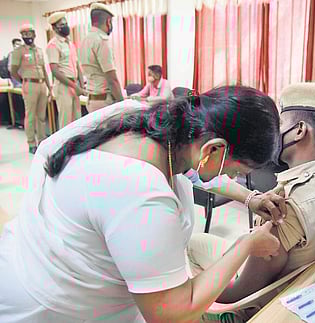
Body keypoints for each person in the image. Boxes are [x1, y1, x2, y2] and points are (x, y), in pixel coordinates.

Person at [0, 86, 288, 323]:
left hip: (45, 260)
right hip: (57, 308)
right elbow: (171, 313)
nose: (234, 178)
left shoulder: (155, 126)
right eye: (236, 170)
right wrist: (246, 245)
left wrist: (250, 198)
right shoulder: (140, 194)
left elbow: (197, 172)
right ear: (214, 149)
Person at [187, 83, 315, 312]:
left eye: (280, 123)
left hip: (254, 304)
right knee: (197, 242)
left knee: (190, 247)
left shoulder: (285, 204)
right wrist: (250, 199)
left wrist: (190, 284)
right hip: (295, 286)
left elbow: (236, 294)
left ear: (299, 131)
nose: (273, 132)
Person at [10, 23, 52, 154]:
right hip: (30, 85)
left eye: (29, 33)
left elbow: (44, 69)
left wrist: (49, 87)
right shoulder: (19, 51)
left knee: (41, 116)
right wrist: (23, 80)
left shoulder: (39, 50)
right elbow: (13, 70)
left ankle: (41, 140)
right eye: (24, 34)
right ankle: (31, 143)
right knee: (30, 116)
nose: (27, 36)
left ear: (34, 34)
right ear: (22, 36)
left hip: (41, 85)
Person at [79, 3, 123, 113]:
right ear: (108, 21)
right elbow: (112, 79)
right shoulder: (102, 41)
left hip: (92, 100)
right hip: (104, 102)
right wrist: (122, 103)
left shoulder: (85, 40)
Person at [47, 11, 87, 129]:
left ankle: (76, 146)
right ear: (54, 28)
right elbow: (55, 71)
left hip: (74, 84)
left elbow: (77, 65)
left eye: (66, 23)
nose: (65, 26)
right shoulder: (53, 45)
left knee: (77, 119)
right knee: (66, 121)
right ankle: (64, 147)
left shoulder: (70, 43)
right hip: (63, 86)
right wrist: (76, 87)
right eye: (62, 25)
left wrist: (81, 85)